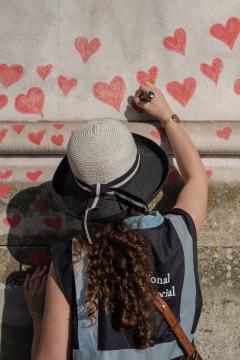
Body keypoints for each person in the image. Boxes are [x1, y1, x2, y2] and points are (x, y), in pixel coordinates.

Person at [24, 81, 208, 360]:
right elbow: (196, 177)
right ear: (140, 178)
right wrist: (166, 116)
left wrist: (38, 319)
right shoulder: (179, 234)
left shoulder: (68, 262)